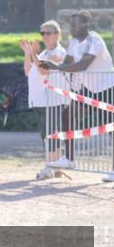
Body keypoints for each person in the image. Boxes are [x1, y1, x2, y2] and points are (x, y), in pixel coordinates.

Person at [39, 11, 114, 174]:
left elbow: (82, 65)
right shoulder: (73, 42)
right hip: (87, 89)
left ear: (86, 25)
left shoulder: (95, 40)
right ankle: (69, 159)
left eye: (75, 24)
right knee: (67, 115)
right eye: (70, 24)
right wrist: (51, 64)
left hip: (106, 89)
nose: (71, 27)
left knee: (110, 127)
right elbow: (68, 62)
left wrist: (57, 67)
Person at [21, 21, 72, 178]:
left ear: (56, 35)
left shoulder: (60, 52)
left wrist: (33, 53)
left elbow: (44, 70)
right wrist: (28, 54)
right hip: (39, 99)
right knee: (47, 133)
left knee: (50, 133)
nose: (44, 37)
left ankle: (50, 166)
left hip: (54, 99)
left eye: (47, 33)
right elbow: (28, 70)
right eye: (42, 33)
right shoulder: (43, 54)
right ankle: (55, 166)